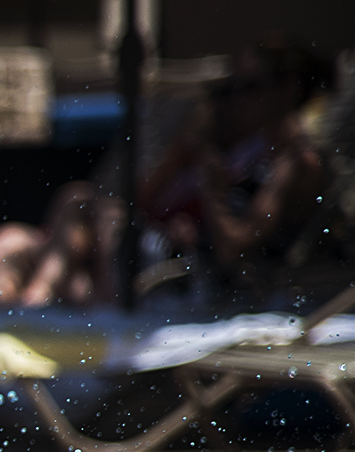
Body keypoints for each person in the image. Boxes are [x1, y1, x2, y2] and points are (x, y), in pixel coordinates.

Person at [139, 40, 330, 286]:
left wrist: (213, 193)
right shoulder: (257, 151)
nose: (239, 99)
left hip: (260, 291)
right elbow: (141, 202)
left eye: (250, 87)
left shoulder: (296, 161)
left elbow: (234, 251)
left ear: (290, 88)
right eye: (231, 88)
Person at [0, 181, 122, 306]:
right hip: (46, 266)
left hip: (66, 278)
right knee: (8, 242)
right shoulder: (13, 244)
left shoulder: (88, 279)